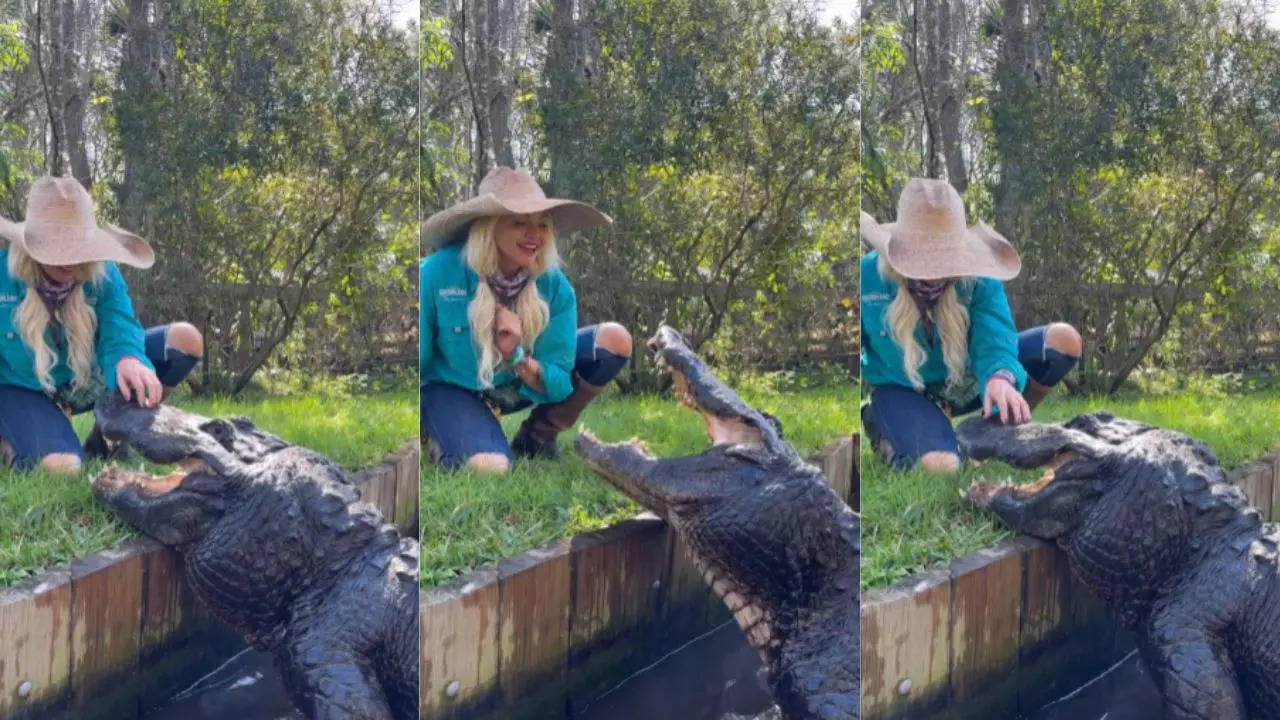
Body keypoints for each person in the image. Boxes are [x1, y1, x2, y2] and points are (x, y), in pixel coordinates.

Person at [860, 177, 1082, 473]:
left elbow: (996, 335)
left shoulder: (980, 277)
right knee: (943, 467)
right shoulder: (865, 277)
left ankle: (1002, 430)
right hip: (902, 388)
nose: (934, 271)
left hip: (964, 380)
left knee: (1064, 341)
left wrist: (1000, 377)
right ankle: (886, 426)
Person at [420, 167, 632, 474]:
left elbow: (559, 384)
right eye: (520, 222)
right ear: (488, 227)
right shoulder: (436, 273)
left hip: (516, 387)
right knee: (490, 468)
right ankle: (443, 431)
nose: (535, 235)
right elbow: (421, 362)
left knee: (615, 339)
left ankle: (536, 439)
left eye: (542, 224)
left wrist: (515, 355)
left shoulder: (554, 285)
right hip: (454, 387)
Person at [0, 176, 204, 474]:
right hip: (25, 388)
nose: (69, 260)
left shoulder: (103, 272)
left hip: (87, 377)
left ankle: (117, 433)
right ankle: (11, 442)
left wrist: (128, 357)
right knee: (63, 468)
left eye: (77, 246)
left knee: (186, 340)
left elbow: (119, 321)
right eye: (57, 248)